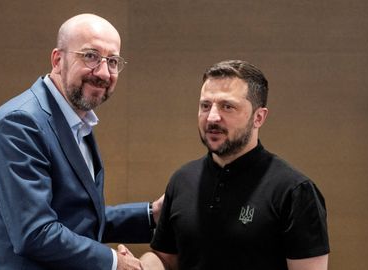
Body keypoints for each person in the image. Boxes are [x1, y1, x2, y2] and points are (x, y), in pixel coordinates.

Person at [0, 13, 163, 270]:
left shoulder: (76, 120)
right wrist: (115, 263)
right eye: (91, 56)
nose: (103, 73)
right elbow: (35, 232)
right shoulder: (19, 123)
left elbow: (77, 218)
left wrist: (151, 214)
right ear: (58, 60)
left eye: (113, 61)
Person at [140, 60, 330, 270]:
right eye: (205, 106)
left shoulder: (294, 191)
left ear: (258, 117)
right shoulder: (182, 179)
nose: (212, 117)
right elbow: (166, 259)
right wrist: (139, 266)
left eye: (227, 107)